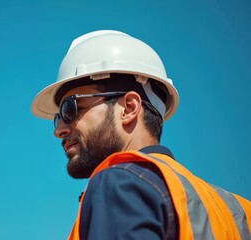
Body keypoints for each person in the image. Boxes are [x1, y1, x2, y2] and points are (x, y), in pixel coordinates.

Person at [31, 30, 251, 240]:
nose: (58, 130)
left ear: (129, 108)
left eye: (70, 109)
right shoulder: (240, 210)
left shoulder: (120, 182)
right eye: (57, 118)